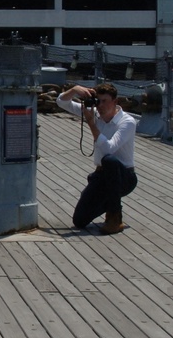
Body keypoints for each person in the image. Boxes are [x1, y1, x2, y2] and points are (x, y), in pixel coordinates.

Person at [56, 83, 137, 233]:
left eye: (104, 101)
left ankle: (115, 217)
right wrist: (74, 90)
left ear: (115, 101)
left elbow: (109, 149)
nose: (100, 105)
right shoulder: (94, 113)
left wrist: (91, 123)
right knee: (79, 220)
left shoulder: (127, 122)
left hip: (124, 176)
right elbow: (61, 102)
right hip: (102, 176)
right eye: (97, 101)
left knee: (109, 160)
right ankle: (109, 201)